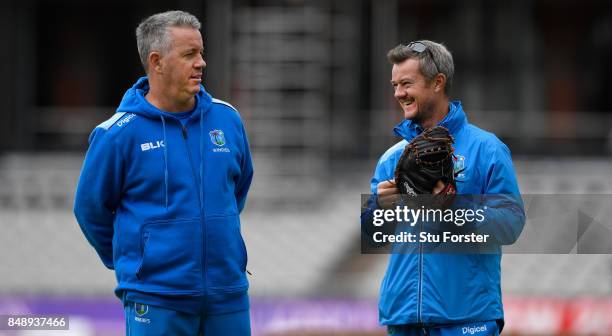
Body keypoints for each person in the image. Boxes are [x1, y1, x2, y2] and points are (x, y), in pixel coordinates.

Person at [74, 10, 253, 335]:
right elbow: (89, 210)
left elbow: (237, 190)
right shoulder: (117, 134)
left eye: (201, 52)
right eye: (189, 54)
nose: (201, 63)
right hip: (156, 299)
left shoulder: (228, 120)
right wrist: (140, 262)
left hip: (228, 295)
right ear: (157, 62)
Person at [363, 40, 525, 335]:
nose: (398, 93)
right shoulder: (392, 156)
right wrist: (378, 207)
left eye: (407, 83)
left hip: (467, 317)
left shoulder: (487, 149)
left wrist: (455, 206)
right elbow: (372, 235)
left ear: (437, 82)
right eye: (395, 84)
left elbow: (511, 223)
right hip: (404, 317)